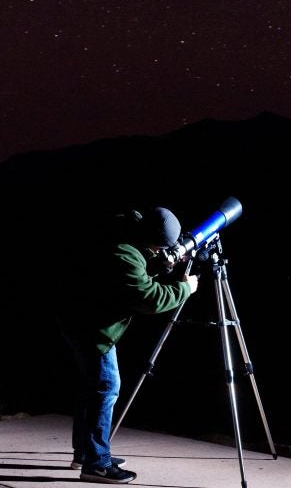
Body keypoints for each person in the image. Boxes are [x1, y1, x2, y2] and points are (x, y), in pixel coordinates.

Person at [56, 206, 198, 484]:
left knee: (91, 388)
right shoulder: (123, 253)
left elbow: (129, 274)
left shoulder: (126, 231)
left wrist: (160, 264)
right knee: (106, 387)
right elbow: (148, 297)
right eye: (161, 247)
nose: (161, 251)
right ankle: (97, 464)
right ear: (152, 239)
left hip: (75, 318)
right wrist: (185, 289)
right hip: (92, 328)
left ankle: (85, 453)